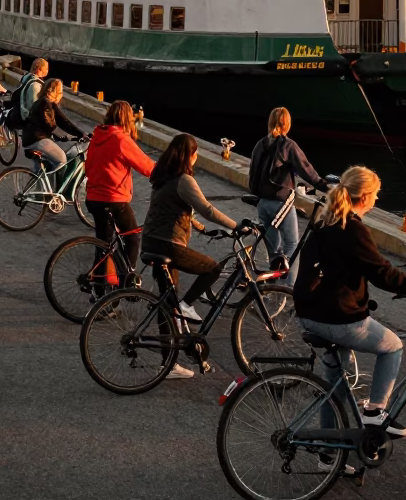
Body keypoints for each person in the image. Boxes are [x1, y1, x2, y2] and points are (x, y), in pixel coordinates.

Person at [294, 165, 406, 446]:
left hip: (310, 310)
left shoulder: (327, 220)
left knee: (336, 384)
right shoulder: (352, 229)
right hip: (334, 316)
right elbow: (384, 274)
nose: (377, 199)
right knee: (393, 346)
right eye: (375, 194)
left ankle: (328, 452)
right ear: (364, 196)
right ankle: (375, 413)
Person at [141, 132, 239, 333]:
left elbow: (168, 207)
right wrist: (236, 226)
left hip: (150, 241)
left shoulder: (162, 175)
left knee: (168, 300)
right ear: (189, 155)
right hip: (169, 244)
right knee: (212, 268)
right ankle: (187, 306)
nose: (197, 157)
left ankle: (168, 362)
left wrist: (199, 227)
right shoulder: (184, 180)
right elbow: (208, 210)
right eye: (195, 153)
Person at [249, 107, 327, 285]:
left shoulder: (260, 144)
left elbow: (252, 173)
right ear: (288, 124)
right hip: (280, 203)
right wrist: (327, 187)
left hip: (262, 203)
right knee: (292, 245)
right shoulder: (288, 145)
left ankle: (271, 289)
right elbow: (308, 172)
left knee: (274, 251)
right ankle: (290, 289)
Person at [85, 101, 155, 275]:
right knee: (131, 238)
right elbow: (147, 167)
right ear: (127, 118)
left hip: (93, 197)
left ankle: (98, 284)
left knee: (103, 244)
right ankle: (126, 282)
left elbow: (88, 167)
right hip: (114, 198)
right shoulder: (121, 139)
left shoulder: (97, 136)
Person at [21, 78, 87, 177]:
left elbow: (64, 122)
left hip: (28, 138)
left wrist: (80, 133)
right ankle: (52, 188)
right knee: (62, 160)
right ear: (56, 93)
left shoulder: (44, 102)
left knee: (42, 170)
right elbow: (50, 125)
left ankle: (40, 188)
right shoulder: (46, 105)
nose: (61, 95)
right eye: (60, 92)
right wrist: (65, 137)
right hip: (37, 139)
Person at [14, 57, 48, 125]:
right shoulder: (36, 85)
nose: (47, 70)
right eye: (46, 68)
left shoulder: (26, 77)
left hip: (19, 109)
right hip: (26, 116)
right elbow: (34, 105)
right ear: (39, 69)